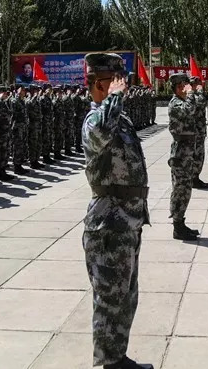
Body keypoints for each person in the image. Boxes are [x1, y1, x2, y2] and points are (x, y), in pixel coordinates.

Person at [81, 53, 153, 369]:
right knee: (109, 299)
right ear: (99, 84)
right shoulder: (95, 119)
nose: (121, 87)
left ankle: (117, 357)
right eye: (115, 81)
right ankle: (108, 363)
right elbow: (99, 133)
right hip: (109, 223)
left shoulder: (118, 118)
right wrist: (112, 99)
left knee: (125, 298)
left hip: (128, 221)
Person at [167, 72, 199, 241]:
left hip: (186, 153)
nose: (185, 89)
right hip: (180, 155)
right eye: (182, 87)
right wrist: (191, 93)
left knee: (186, 190)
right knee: (180, 190)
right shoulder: (176, 104)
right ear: (176, 88)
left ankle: (181, 223)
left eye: (185, 86)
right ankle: (177, 227)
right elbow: (190, 109)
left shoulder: (183, 100)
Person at [189, 76, 208, 189]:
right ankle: (194, 178)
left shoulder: (194, 96)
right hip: (195, 132)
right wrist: (200, 91)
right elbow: (201, 103)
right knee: (197, 156)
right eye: (198, 84)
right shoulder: (193, 96)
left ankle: (195, 177)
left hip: (199, 131)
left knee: (199, 155)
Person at [0, 85, 15, 181]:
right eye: (4, 92)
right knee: (0, 152)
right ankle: (0, 172)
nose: (6, 94)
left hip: (6, 130)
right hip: (0, 131)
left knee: (5, 151)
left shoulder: (4, 103)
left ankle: (3, 170)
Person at [11, 84, 29, 175]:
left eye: (24, 90)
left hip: (22, 127)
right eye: (22, 90)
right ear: (17, 90)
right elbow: (13, 115)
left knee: (21, 146)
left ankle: (19, 164)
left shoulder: (22, 101)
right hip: (17, 127)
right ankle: (16, 166)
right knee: (17, 146)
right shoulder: (15, 101)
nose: (24, 91)